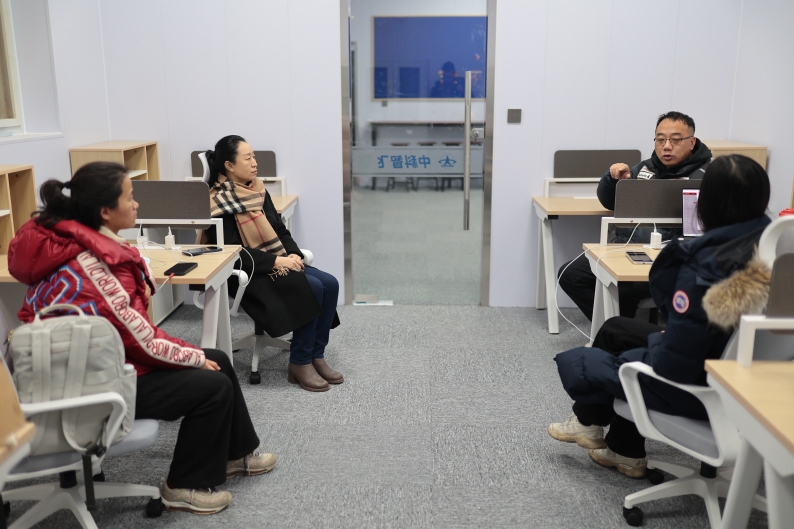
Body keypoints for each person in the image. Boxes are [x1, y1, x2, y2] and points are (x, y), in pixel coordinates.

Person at [8, 162, 276, 515]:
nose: (136, 204)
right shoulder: (94, 268)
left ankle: (234, 455)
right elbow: (142, 342)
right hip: (89, 388)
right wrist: (194, 357)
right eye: (129, 197)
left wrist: (195, 353)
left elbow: (128, 332)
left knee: (219, 359)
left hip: (82, 367)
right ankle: (182, 486)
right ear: (105, 211)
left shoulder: (70, 245)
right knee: (213, 385)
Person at [547, 155, 771, 477]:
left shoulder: (704, 269)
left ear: (707, 202)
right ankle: (617, 445)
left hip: (701, 388)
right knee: (616, 329)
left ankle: (597, 428)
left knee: (596, 360)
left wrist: (658, 342)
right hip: (751, 381)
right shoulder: (773, 252)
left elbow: (671, 365)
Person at [200, 135, 342, 392]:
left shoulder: (256, 189)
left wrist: (294, 254)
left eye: (254, 156)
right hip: (247, 272)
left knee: (330, 283)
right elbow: (233, 253)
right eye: (247, 158)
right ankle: (299, 362)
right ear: (229, 165)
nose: (255, 163)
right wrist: (278, 261)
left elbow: (279, 230)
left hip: (274, 260)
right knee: (311, 286)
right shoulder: (219, 202)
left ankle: (315, 355)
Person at [558, 111, 713, 321]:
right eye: (660, 140)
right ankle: (612, 326)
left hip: (668, 259)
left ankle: (619, 329)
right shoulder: (644, 168)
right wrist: (614, 180)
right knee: (570, 274)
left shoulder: (707, 177)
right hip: (624, 249)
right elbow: (609, 202)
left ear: (692, 142)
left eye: (675, 140)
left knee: (622, 288)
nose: (667, 146)